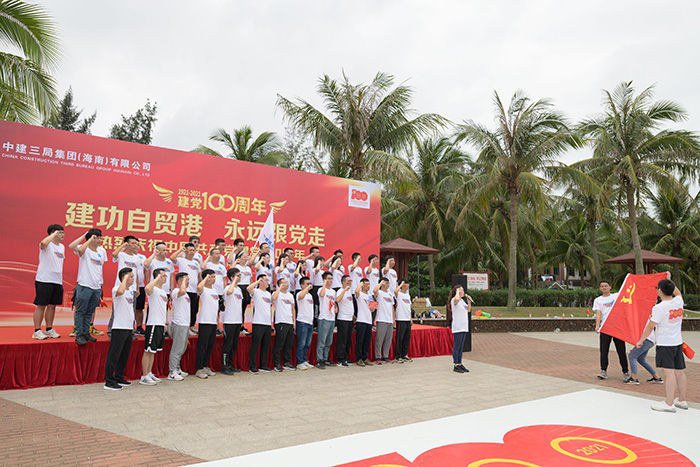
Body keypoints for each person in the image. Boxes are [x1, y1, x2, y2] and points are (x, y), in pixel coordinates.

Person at [637, 275, 688, 412]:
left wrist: (641, 340)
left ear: (659, 290)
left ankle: (669, 403)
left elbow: (650, 326)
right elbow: (677, 292)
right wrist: (669, 280)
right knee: (680, 372)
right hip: (677, 343)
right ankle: (682, 400)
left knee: (669, 373)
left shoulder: (659, 308)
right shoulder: (678, 301)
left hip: (665, 344)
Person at [69, 228, 107, 345]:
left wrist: (100, 284)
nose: (99, 240)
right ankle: (79, 334)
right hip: (84, 285)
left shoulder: (102, 251)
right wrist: (86, 236)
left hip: (97, 286)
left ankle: (86, 333)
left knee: (90, 311)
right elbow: (72, 246)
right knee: (81, 311)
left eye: (100, 237)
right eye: (97, 237)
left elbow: (99, 268)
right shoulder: (84, 248)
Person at [104, 267, 136, 391]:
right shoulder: (116, 289)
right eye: (130, 276)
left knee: (124, 355)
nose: (133, 279)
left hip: (128, 327)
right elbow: (121, 291)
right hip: (119, 327)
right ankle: (109, 381)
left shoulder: (130, 291)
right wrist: (125, 279)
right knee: (114, 355)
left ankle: (119, 377)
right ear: (124, 277)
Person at [32, 224, 65, 340]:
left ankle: (49, 329)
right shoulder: (47, 244)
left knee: (52, 306)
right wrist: (53, 235)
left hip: (57, 281)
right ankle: (37, 330)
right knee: (41, 306)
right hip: (44, 279)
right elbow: (43, 243)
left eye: (63, 232)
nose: (62, 234)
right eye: (59, 232)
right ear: (52, 233)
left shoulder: (62, 247)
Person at [593, 280, 629, 380]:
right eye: (602, 286)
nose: (604, 287)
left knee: (621, 351)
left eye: (606, 286)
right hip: (605, 328)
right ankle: (603, 371)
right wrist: (597, 326)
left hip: (617, 328)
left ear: (610, 287)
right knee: (604, 351)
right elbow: (598, 313)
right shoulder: (598, 300)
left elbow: (627, 292)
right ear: (600, 288)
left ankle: (625, 372)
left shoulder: (616, 296)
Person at [140, 268, 168, 385]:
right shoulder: (153, 289)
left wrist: (165, 323)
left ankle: (149, 372)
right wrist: (156, 278)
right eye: (163, 276)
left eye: (165, 276)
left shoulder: (163, 292)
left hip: (160, 324)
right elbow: (147, 288)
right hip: (153, 324)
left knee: (153, 351)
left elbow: (164, 309)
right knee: (148, 350)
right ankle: (144, 376)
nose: (165, 277)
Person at [108, 235, 140, 334]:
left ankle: (130, 330)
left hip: (132, 288)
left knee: (131, 310)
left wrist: (137, 288)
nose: (135, 245)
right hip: (121, 287)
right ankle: (111, 330)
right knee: (116, 309)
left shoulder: (137, 258)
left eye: (136, 243)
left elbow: (136, 274)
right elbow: (114, 254)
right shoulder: (121, 255)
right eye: (133, 243)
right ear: (127, 244)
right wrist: (123, 246)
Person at [171, 242, 201, 335]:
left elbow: (199, 275)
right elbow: (172, 258)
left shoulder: (196, 263)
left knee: (194, 309)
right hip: (185, 290)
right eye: (190, 250)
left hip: (194, 290)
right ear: (186, 251)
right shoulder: (181, 260)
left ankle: (191, 326)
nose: (192, 252)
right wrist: (180, 250)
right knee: (185, 309)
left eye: (193, 250)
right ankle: (186, 327)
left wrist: (200, 286)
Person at [195, 269, 219, 379]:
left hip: (213, 322)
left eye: (214, 277)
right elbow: (199, 287)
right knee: (202, 346)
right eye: (211, 277)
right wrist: (205, 278)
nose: (213, 279)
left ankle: (205, 366)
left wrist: (217, 321)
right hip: (204, 321)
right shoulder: (203, 289)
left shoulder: (215, 291)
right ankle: (199, 369)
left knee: (209, 346)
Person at [625, 315, 662, 385]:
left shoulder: (643, 315)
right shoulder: (648, 315)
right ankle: (657, 377)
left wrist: (641, 341)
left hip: (646, 339)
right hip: (650, 339)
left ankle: (634, 378)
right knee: (641, 359)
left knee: (632, 356)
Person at [248, 274, 273, 373]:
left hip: (267, 323)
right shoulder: (256, 291)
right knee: (255, 345)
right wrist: (258, 281)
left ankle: (263, 365)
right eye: (266, 280)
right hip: (258, 322)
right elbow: (248, 288)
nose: (268, 282)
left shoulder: (269, 294)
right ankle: (252, 366)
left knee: (265, 345)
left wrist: (271, 322)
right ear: (261, 281)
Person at [168, 272, 191, 381]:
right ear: (180, 281)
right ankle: (172, 372)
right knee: (177, 349)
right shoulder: (176, 291)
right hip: (179, 324)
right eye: (186, 279)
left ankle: (177, 368)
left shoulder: (186, 294)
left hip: (185, 324)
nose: (188, 281)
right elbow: (182, 291)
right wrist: (183, 282)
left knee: (182, 348)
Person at [221, 268, 244, 375]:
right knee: (228, 344)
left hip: (237, 320)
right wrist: (233, 281)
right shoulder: (227, 288)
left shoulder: (239, 289)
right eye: (237, 276)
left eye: (240, 276)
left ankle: (231, 365)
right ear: (231, 277)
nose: (239, 277)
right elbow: (229, 292)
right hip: (229, 321)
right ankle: (225, 366)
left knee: (234, 345)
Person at [272, 278, 296, 371]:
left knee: (288, 344)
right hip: (281, 321)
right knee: (279, 344)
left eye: (287, 282)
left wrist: (294, 322)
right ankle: (277, 364)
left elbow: (293, 308)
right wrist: (279, 288)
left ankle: (287, 362)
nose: (286, 284)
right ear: (279, 284)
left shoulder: (290, 295)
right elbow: (273, 298)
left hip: (289, 322)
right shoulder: (276, 293)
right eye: (284, 282)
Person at [447, 285, 470, 373]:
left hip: (464, 327)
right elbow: (456, 299)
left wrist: (469, 301)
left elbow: (468, 310)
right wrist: (457, 291)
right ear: (458, 291)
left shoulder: (462, 301)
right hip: (458, 327)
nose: (463, 291)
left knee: (461, 347)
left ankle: (460, 363)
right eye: (461, 290)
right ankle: (456, 365)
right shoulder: (454, 300)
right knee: (457, 347)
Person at [316, 272, 337, 368]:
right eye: (328, 278)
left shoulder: (333, 291)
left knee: (329, 341)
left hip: (331, 318)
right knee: (322, 341)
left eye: (331, 278)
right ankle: (319, 360)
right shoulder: (321, 289)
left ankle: (325, 358)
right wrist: (324, 284)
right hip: (324, 318)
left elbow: (333, 302)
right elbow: (321, 294)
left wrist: (335, 307)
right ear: (324, 280)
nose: (330, 280)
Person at [295, 277, 315, 370]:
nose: (309, 285)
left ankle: (304, 360)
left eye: (310, 284)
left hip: (310, 322)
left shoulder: (310, 295)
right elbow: (301, 296)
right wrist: (307, 288)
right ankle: (299, 362)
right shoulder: (299, 293)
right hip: (302, 321)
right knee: (301, 343)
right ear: (302, 285)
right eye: (307, 284)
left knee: (307, 343)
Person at [373, 278, 394, 364]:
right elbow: (374, 290)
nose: (388, 284)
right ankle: (378, 357)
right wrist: (381, 283)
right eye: (386, 283)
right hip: (381, 319)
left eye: (388, 283)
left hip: (389, 320)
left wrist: (393, 319)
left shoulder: (390, 293)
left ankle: (385, 356)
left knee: (388, 339)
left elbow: (392, 307)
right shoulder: (379, 292)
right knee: (379, 339)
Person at [335, 275, 354, 366]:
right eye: (347, 281)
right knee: (342, 340)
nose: (349, 282)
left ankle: (345, 358)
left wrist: (353, 315)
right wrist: (344, 290)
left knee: (348, 340)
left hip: (350, 318)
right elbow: (337, 300)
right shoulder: (340, 290)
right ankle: (340, 359)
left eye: (350, 281)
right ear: (343, 282)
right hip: (342, 318)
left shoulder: (349, 292)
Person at [354, 279, 374, 367]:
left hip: (369, 320)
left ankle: (365, 358)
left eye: (369, 284)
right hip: (361, 320)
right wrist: (361, 283)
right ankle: (359, 359)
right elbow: (356, 291)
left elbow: (372, 309)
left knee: (367, 341)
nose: (368, 286)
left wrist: (373, 307)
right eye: (366, 284)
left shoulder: (370, 296)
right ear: (362, 285)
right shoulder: (359, 294)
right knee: (360, 341)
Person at [395, 280, 412, 362]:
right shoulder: (399, 294)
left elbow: (409, 307)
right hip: (401, 318)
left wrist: (410, 318)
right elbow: (395, 291)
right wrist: (401, 284)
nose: (407, 285)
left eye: (407, 283)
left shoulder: (408, 295)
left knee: (406, 338)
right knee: (400, 338)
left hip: (407, 319)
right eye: (405, 283)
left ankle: (404, 354)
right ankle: (398, 356)